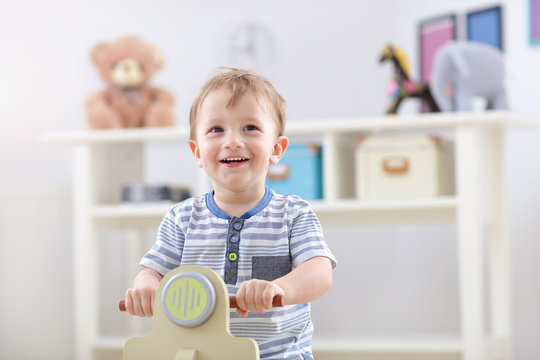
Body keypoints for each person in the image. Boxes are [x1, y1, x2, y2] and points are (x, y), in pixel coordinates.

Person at [124, 68, 337, 359]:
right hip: (201, 354)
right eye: (216, 130)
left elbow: (319, 272)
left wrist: (278, 289)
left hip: (278, 355)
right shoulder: (181, 219)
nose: (233, 141)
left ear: (276, 149)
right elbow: (153, 271)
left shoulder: (294, 214)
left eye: (250, 128)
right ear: (197, 152)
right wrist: (146, 287)